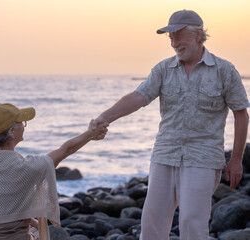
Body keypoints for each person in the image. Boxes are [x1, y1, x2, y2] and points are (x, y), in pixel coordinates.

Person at [91, 9, 249, 240]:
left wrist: (236, 159)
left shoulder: (224, 70)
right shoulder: (163, 69)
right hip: (164, 154)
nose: (174, 43)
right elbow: (138, 97)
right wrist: (105, 117)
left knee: (192, 223)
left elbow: (241, 114)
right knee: (152, 222)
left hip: (203, 158)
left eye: (179, 36)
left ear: (198, 35)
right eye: (171, 38)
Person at [0, 103, 108, 240]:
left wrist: (30, 220)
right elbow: (65, 150)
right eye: (22, 123)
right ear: (12, 132)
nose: (24, 126)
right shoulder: (25, 168)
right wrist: (90, 134)